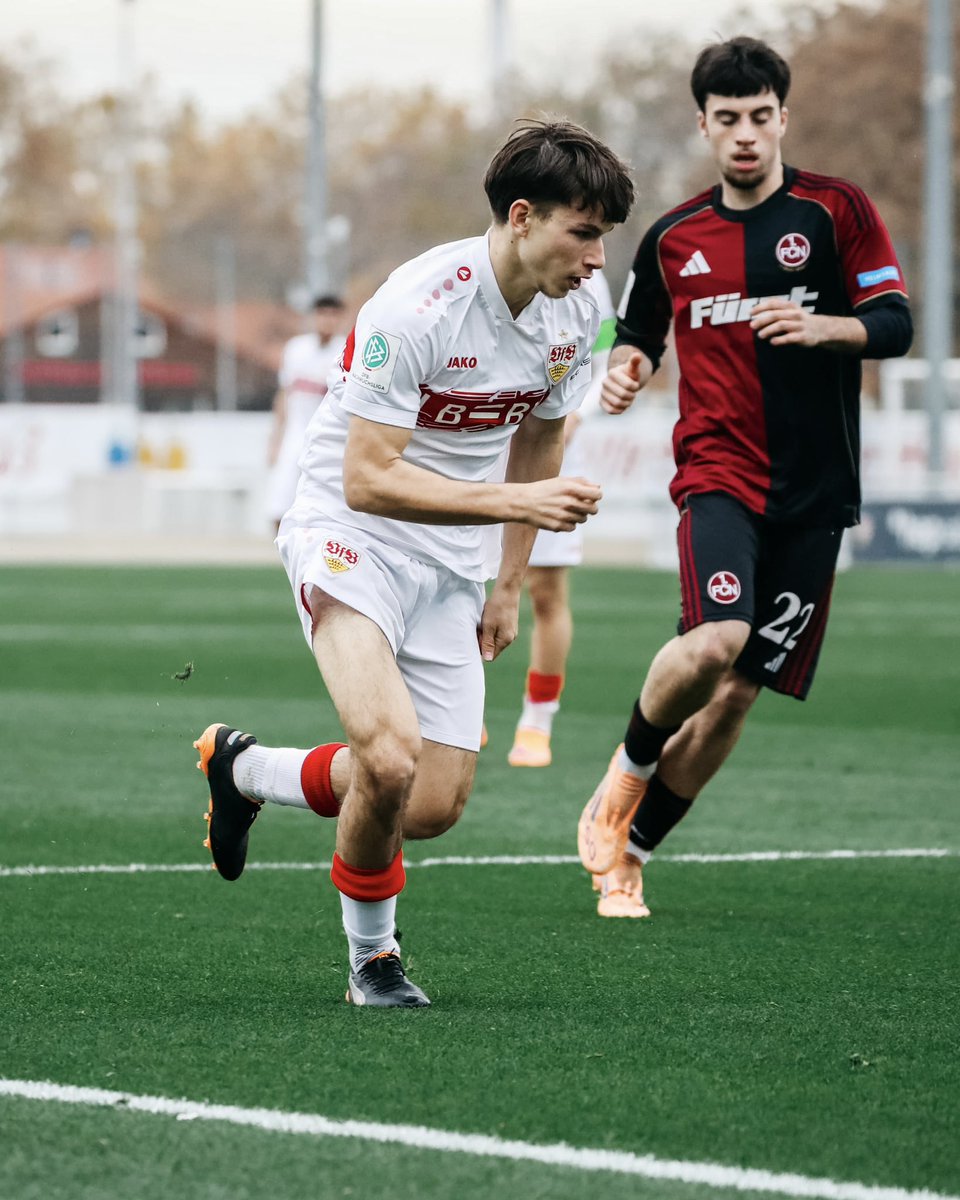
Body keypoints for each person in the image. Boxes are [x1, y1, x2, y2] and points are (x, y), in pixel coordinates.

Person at [194, 118, 635, 1006]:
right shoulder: (417, 305)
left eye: (604, 237)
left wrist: (508, 582)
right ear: (521, 217)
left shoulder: (583, 309)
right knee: (388, 760)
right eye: (583, 232)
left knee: (428, 804)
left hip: (456, 558)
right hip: (349, 535)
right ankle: (374, 960)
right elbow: (367, 479)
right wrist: (516, 507)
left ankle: (244, 771)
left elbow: (541, 440)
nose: (596, 257)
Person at [577, 36, 912, 918]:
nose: (746, 135)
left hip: (817, 490)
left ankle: (631, 855)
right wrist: (624, 370)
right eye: (728, 120)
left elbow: (894, 320)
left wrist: (828, 329)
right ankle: (627, 770)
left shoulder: (836, 212)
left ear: (782, 118)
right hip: (719, 472)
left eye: (760, 117)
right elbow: (635, 336)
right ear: (704, 126)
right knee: (717, 639)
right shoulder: (675, 237)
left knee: (735, 696)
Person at [506, 272, 617, 768]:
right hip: (485, 450)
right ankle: (457, 709)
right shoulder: (493, 268)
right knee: (458, 578)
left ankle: (537, 720)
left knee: (546, 592)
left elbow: (606, 359)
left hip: (557, 450)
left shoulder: (593, 285)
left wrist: (576, 415)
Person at [265, 294, 347, 533]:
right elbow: (284, 394)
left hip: (330, 437)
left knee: (330, 504)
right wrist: (275, 439)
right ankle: (281, 556)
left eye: (333, 314)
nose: (327, 320)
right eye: (322, 313)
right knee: (279, 500)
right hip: (296, 433)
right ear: (313, 316)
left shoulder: (345, 350)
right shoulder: (296, 349)